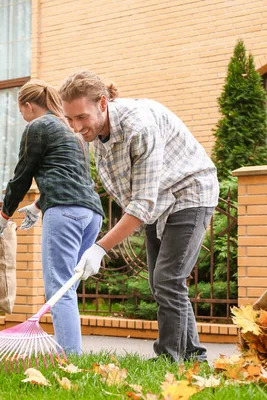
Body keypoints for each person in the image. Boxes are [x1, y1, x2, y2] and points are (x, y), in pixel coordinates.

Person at [58, 70, 219, 363]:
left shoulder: (138, 126)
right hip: (158, 203)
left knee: (168, 279)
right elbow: (131, 194)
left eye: (81, 117)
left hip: (190, 192)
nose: (76, 127)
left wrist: (99, 247)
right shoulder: (96, 133)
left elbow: (141, 203)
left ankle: (169, 360)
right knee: (162, 283)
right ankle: (194, 357)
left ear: (103, 103)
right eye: (69, 119)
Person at [0, 79, 104, 355]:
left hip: (65, 212)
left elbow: (22, 176)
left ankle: (70, 358)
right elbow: (69, 177)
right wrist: (38, 206)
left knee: (57, 289)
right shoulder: (70, 128)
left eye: (21, 111)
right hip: (91, 213)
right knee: (67, 288)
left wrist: (3, 217)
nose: (23, 117)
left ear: (28, 106)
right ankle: (72, 352)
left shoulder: (37, 126)